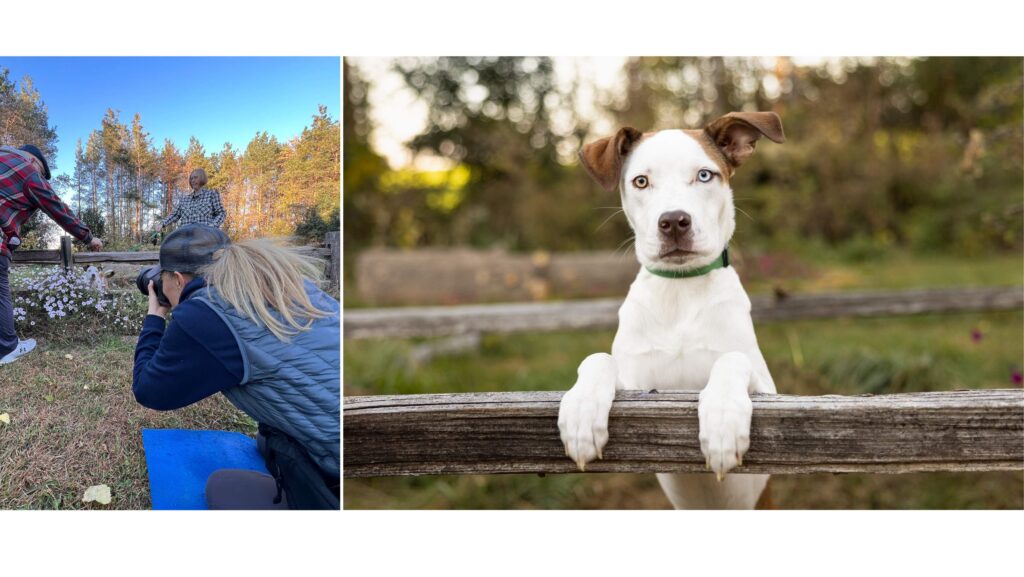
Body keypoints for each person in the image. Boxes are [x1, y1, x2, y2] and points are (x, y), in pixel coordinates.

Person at [132, 224, 340, 509]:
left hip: (341, 470)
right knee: (267, 444)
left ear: (178, 280)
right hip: (365, 419)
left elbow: (148, 390)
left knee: (224, 487)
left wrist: (155, 317)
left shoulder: (207, 314)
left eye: (164, 280)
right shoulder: (284, 283)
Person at [0, 144, 103, 365]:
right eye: (42, 175)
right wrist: (87, 237)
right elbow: (57, 208)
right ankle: (7, 347)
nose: (42, 179)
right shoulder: (28, 173)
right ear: (35, 162)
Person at [160, 168, 226, 229]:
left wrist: (212, 226)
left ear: (202, 178)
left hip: (204, 235)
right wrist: (162, 224)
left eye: (195, 178)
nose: (193, 180)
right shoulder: (184, 200)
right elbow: (174, 215)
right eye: (191, 179)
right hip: (185, 235)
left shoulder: (211, 194)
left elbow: (221, 213)